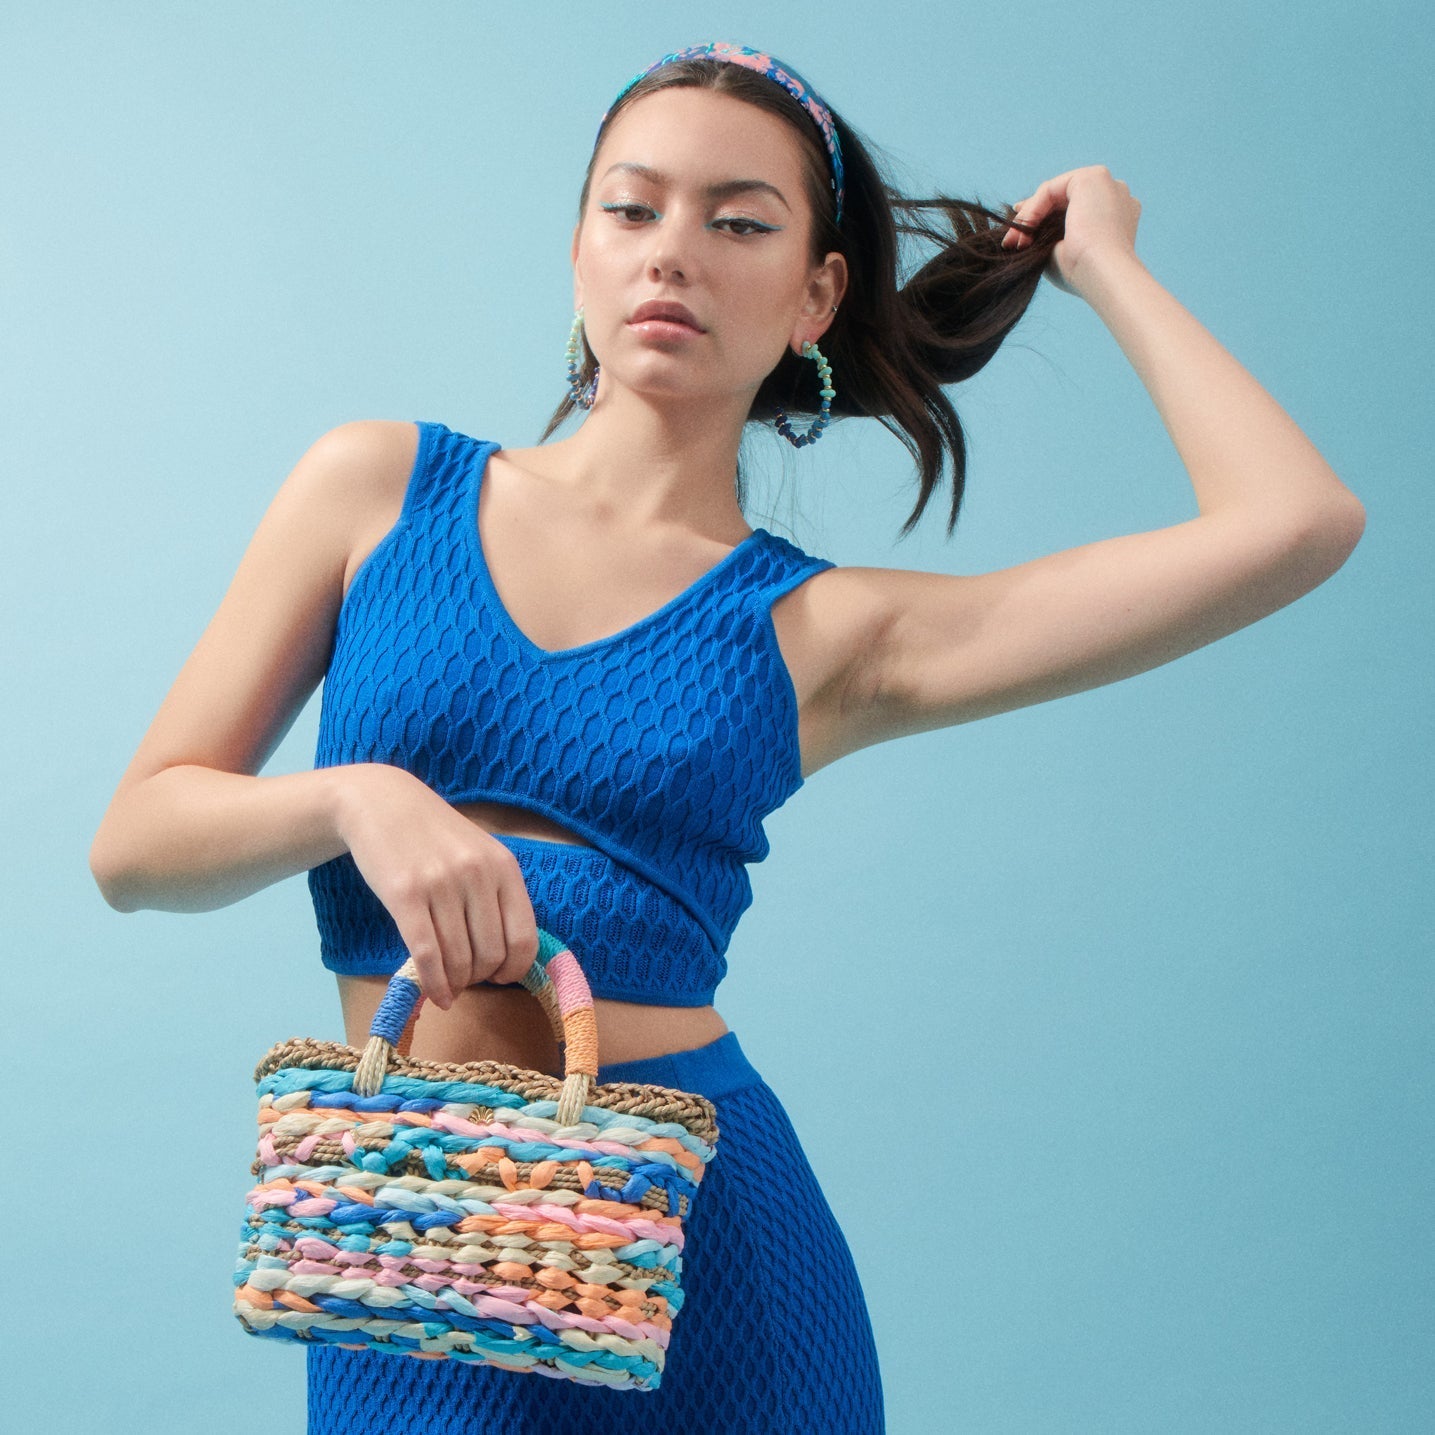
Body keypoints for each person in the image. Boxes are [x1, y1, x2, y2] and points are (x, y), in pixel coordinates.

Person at [88, 39, 1364, 1435]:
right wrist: (355, 800)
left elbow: (1296, 526)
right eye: (631, 209)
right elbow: (137, 847)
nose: (671, 255)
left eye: (738, 221)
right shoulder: (376, 490)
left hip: (707, 1253)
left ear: (818, 291)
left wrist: (1105, 264)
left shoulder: (825, 632)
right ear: (578, 246)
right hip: (409, 1239)